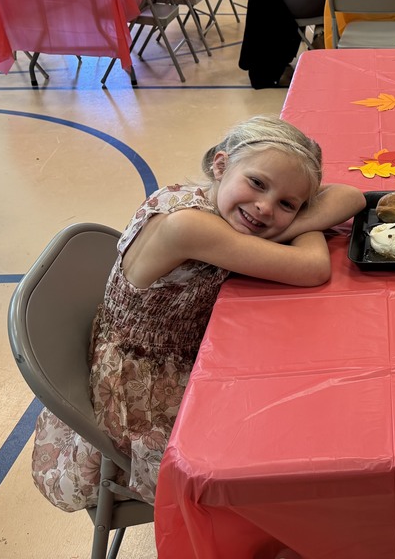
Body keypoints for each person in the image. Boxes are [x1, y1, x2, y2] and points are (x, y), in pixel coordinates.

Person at [30, 116, 365, 510]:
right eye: (257, 183)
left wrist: (285, 224)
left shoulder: (207, 200)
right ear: (221, 165)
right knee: (297, 433)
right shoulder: (190, 226)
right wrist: (288, 224)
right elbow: (313, 269)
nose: (263, 207)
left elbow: (352, 196)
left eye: (286, 203)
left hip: (177, 350)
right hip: (147, 390)